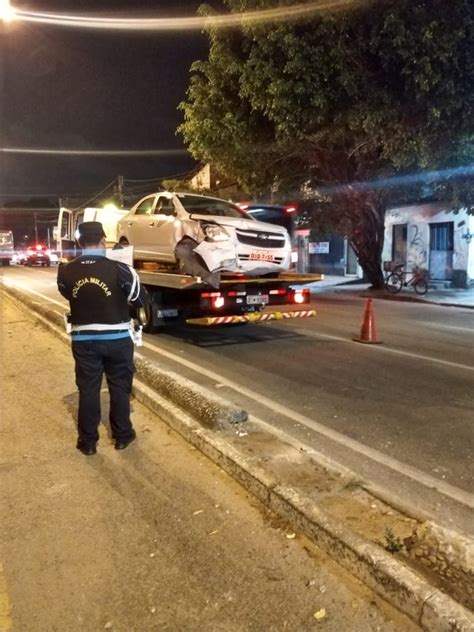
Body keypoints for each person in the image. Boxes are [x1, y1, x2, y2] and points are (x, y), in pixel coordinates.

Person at [57, 221, 146, 456]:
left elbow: (67, 292)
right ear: (103, 240)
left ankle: (88, 442)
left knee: (88, 389)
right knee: (119, 387)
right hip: (118, 339)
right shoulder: (120, 268)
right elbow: (139, 298)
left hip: (84, 340)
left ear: (78, 243)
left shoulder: (65, 271)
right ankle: (122, 436)